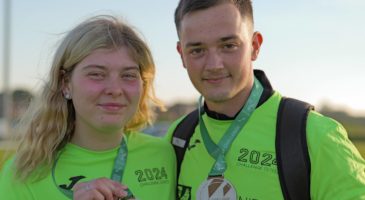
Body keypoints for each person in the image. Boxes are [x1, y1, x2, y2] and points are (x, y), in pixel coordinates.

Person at [165, 0, 365, 199]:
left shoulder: (316, 136)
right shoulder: (177, 136)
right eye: (197, 50)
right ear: (182, 55)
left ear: (254, 46)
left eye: (228, 45)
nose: (214, 64)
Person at [0, 15, 176, 200]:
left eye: (128, 75)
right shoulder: (24, 174)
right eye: (97, 74)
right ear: (65, 83)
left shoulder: (164, 154)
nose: (115, 90)